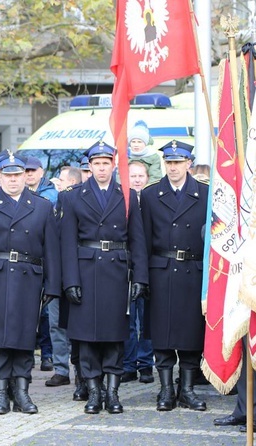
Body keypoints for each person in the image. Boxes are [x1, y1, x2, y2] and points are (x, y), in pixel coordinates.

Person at [60, 141, 148, 415]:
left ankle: (112, 392)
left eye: (106, 163)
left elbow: (137, 239)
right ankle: (94, 392)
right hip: (85, 271)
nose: (101, 168)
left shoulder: (127, 196)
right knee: (86, 339)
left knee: (114, 336)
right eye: (96, 163)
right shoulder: (73, 196)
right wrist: (70, 281)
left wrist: (140, 278)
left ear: (113, 165)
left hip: (116, 272)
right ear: (89, 166)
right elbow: (67, 242)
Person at [0, 152, 61, 415]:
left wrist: (53, 285)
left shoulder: (42, 206)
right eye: (8, 175)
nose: (13, 180)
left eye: (17, 175)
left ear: (25, 176)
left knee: (23, 337)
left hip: (28, 277)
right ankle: (0, 392)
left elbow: (51, 250)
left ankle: (21, 391)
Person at [139, 140, 209, 412]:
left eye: (178, 163)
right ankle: (166, 389)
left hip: (194, 271)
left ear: (189, 163)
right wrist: (142, 278)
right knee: (163, 333)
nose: (173, 168)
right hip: (162, 271)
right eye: (169, 163)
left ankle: (187, 389)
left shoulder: (205, 193)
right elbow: (143, 239)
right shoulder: (150, 195)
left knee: (192, 334)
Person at [44, 166, 82, 388]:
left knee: (77, 326)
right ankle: (61, 369)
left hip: (78, 276)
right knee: (56, 325)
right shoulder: (55, 207)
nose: (57, 183)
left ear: (73, 183)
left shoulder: (81, 205)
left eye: (62, 180)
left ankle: (80, 369)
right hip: (57, 277)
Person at [121, 161, 155, 384]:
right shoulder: (121, 200)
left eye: (140, 175)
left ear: (147, 177)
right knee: (130, 320)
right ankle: (128, 364)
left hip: (152, 267)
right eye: (132, 176)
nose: (136, 179)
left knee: (148, 319)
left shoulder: (153, 199)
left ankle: (146, 364)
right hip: (128, 268)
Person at [24, 156, 57, 372]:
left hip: (43, 254)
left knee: (45, 311)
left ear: (41, 172)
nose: (29, 174)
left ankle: (47, 354)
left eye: (32, 171)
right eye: (25, 171)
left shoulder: (50, 194)